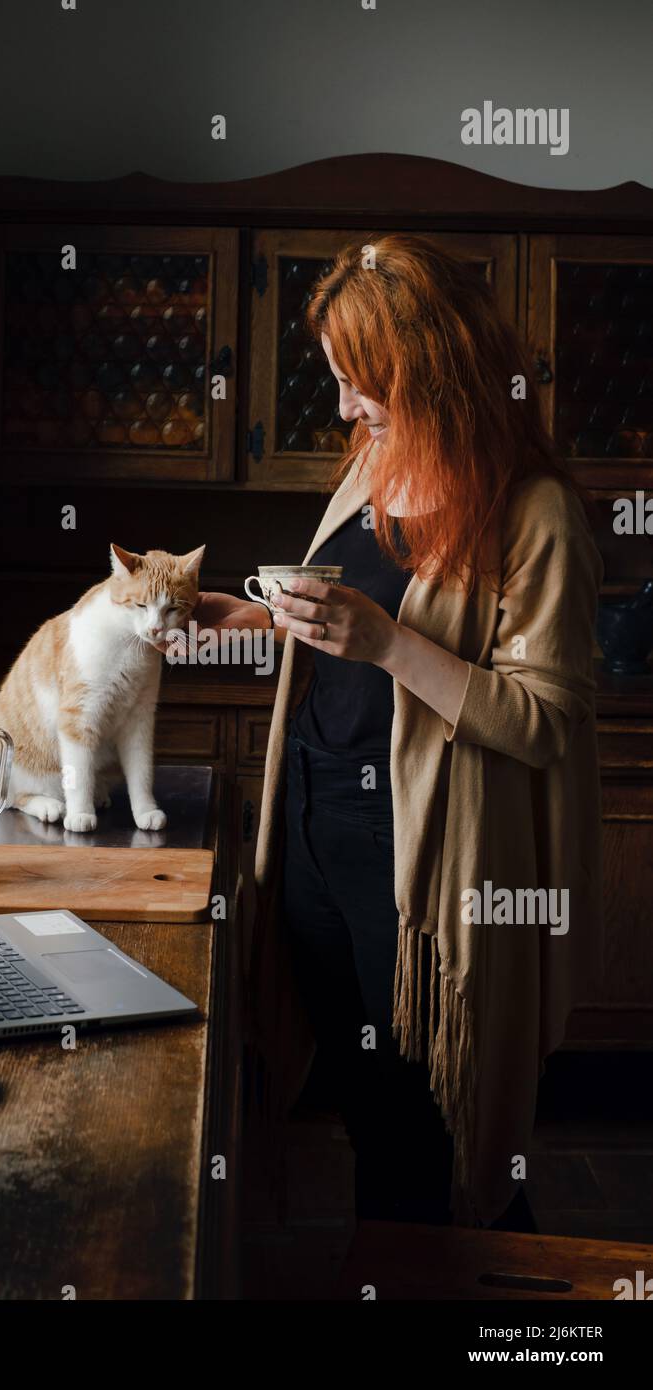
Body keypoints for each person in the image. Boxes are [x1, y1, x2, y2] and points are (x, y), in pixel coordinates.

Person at [194, 233, 604, 1229]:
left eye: (357, 383)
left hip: (419, 853)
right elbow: (337, 624)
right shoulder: (377, 462)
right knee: (362, 1101)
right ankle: (385, 1268)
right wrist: (230, 622)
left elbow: (543, 720)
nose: (343, 411)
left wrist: (386, 646)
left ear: (425, 368)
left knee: (439, 1122)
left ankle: (481, 1286)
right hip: (310, 824)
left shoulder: (533, 512)